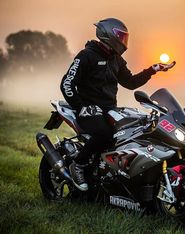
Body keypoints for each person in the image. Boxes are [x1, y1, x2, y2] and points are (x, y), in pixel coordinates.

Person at [60, 18, 175, 191]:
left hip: (108, 109)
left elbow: (130, 82)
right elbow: (66, 84)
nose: (123, 41)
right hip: (88, 109)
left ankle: (112, 179)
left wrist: (152, 70)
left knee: (130, 132)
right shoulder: (87, 55)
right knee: (104, 135)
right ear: (108, 34)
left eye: (124, 37)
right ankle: (78, 165)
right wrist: (81, 106)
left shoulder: (116, 60)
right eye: (120, 36)